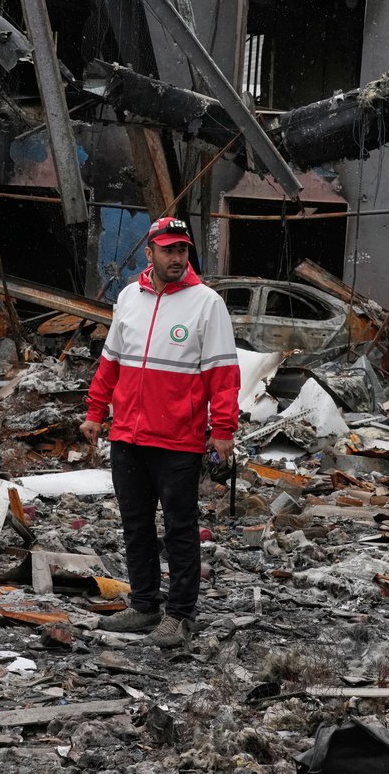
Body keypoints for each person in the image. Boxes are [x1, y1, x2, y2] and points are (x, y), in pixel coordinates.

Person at [80, 216, 240, 648]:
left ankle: (180, 616)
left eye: (182, 249)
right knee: (135, 526)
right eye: (168, 249)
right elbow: (111, 361)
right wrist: (95, 412)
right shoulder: (128, 297)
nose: (176, 257)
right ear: (149, 252)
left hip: (177, 440)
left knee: (180, 530)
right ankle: (144, 604)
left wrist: (223, 429)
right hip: (128, 437)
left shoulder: (207, 304)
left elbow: (224, 374)